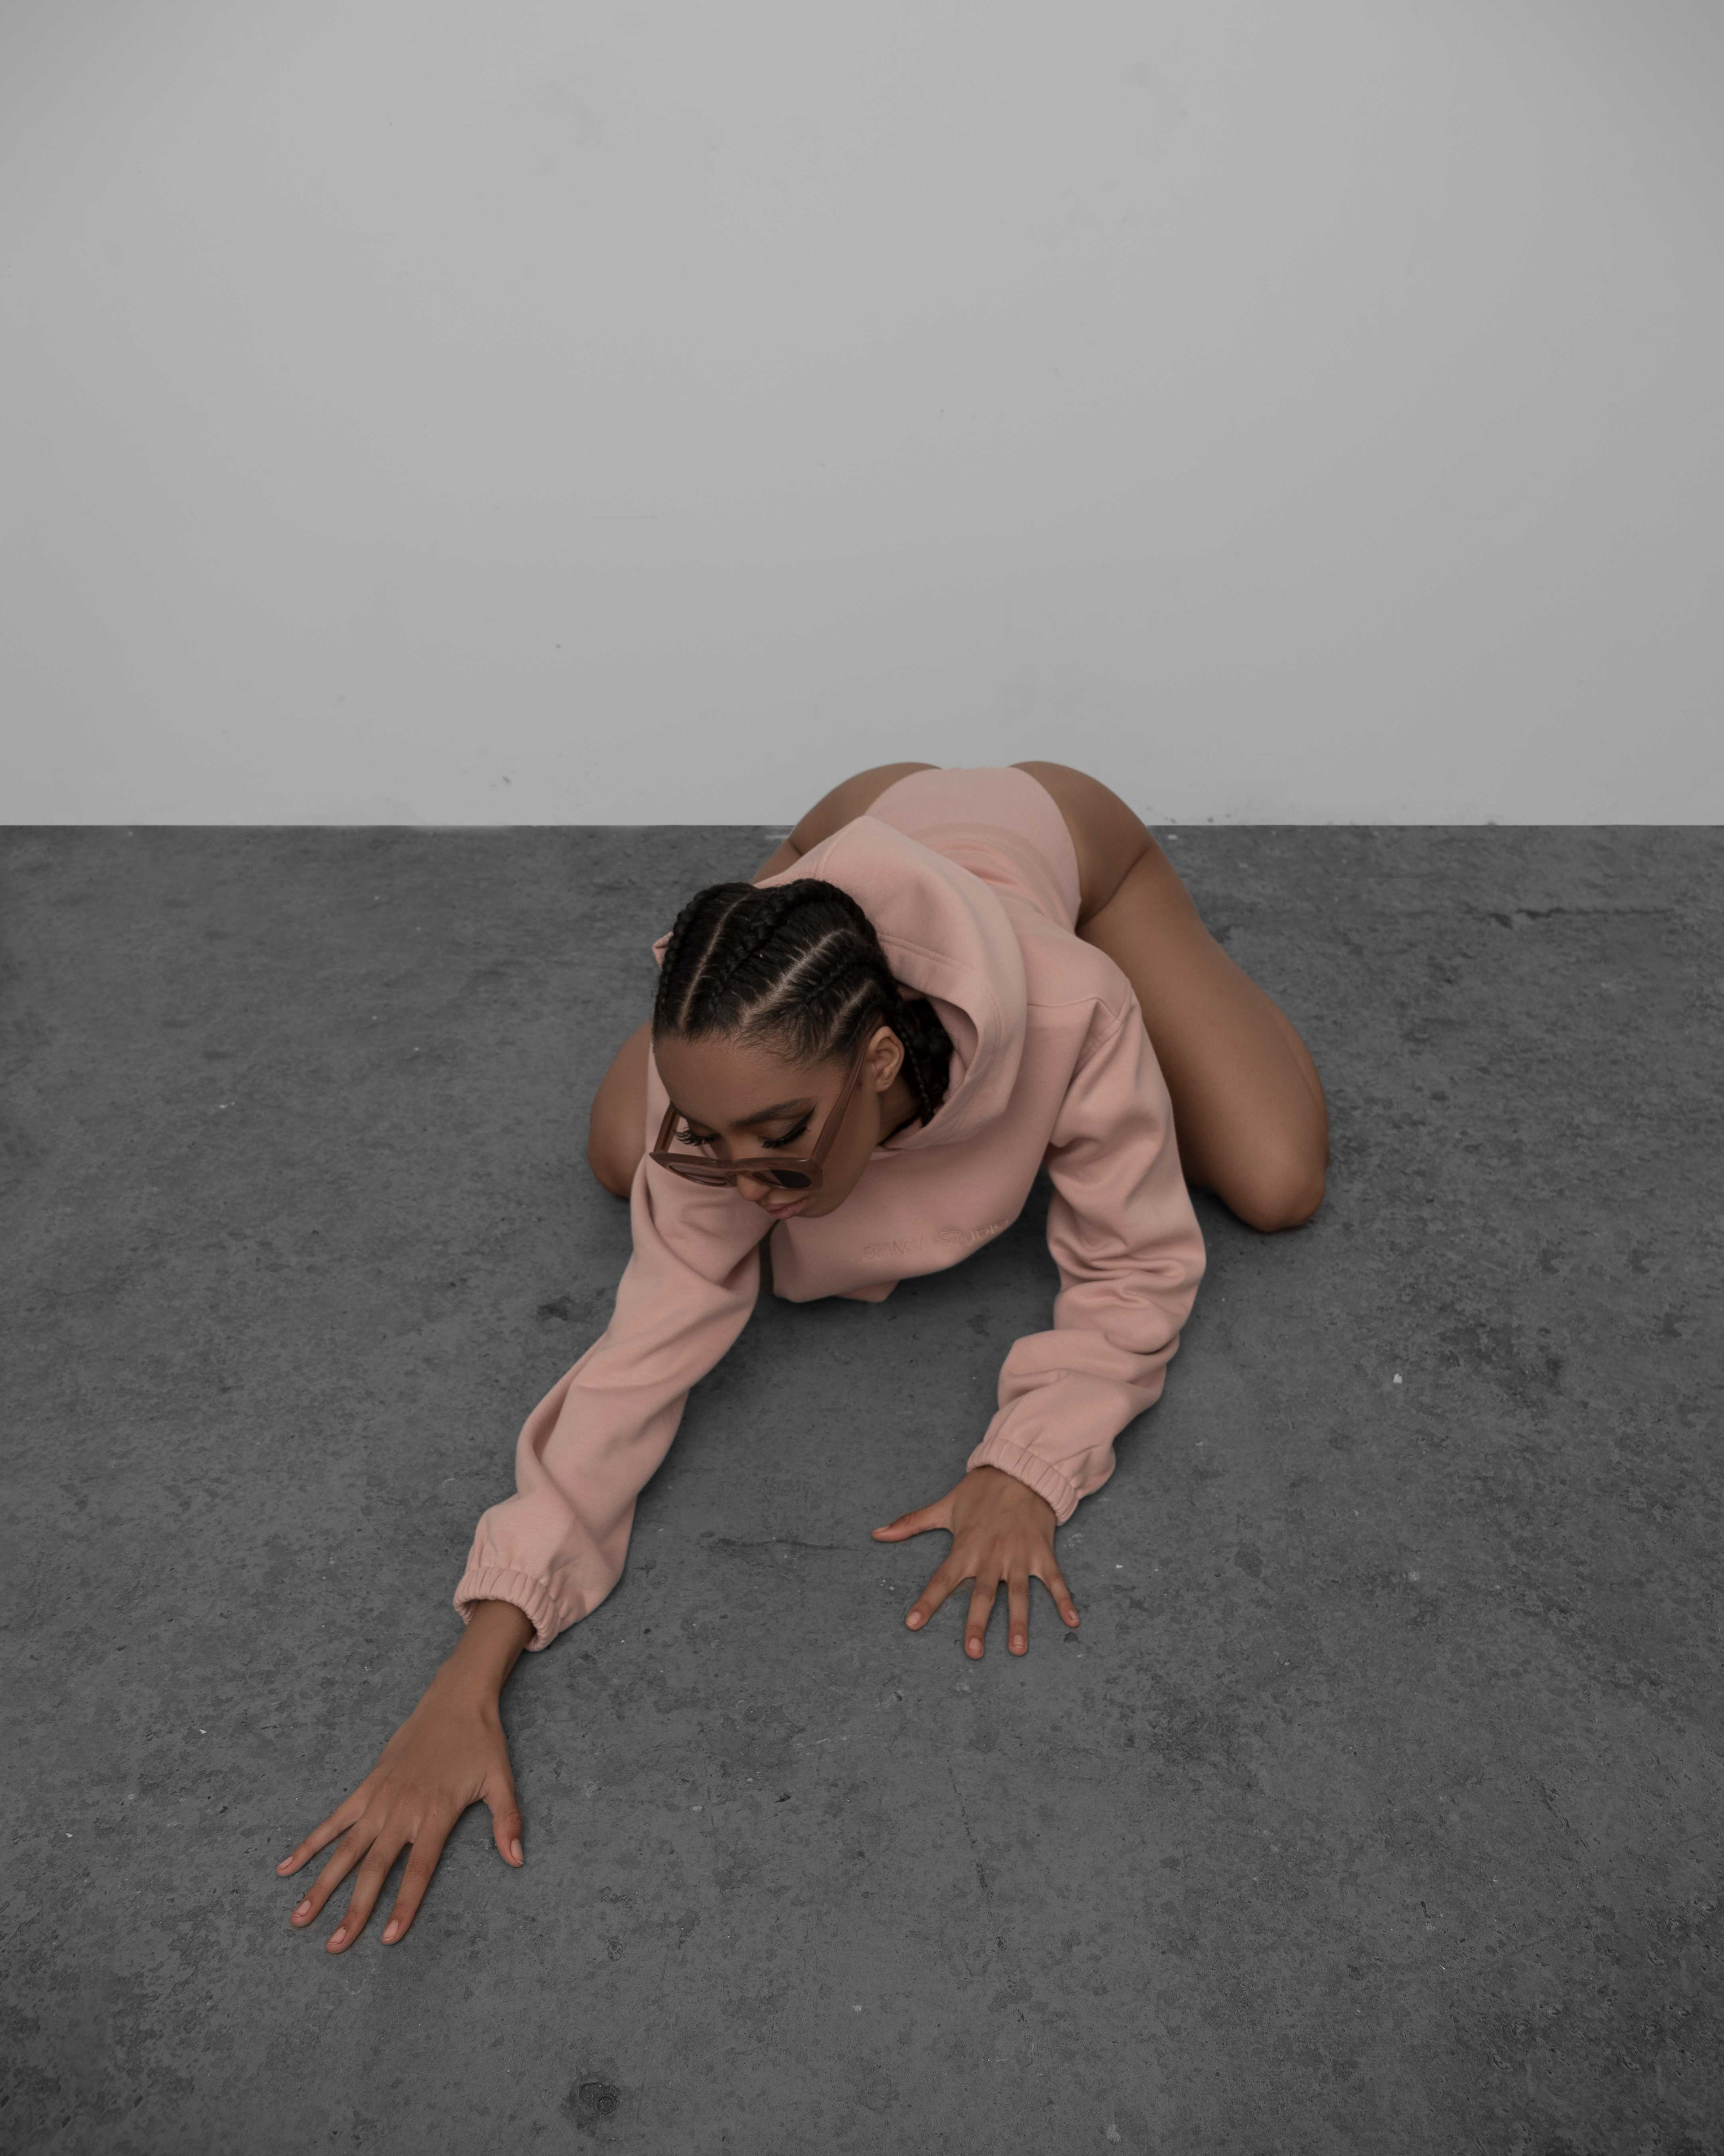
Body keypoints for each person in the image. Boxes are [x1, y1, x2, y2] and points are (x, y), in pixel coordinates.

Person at [276, 760, 1330, 1954]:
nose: (743, 1183)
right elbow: (644, 1350)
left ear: (880, 1062)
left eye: (777, 1137)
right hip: (859, 823)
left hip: (1066, 840)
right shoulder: (742, 1129)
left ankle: (968, 927)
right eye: (716, 1139)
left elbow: (1134, 1267)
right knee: (625, 1155)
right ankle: (785, 916)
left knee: (1277, 1182)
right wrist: (473, 1666)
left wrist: (1031, 1460)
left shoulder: (1074, 1004)